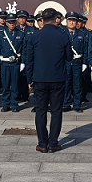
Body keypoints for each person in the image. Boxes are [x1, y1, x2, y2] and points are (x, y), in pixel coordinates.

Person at [24, 8, 72, 153]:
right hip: (57, 78)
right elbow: (69, 57)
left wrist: (29, 79)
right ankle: (53, 143)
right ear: (56, 18)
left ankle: (42, 143)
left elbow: (29, 60)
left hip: (39, 78)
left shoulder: (35, 36)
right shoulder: (63, 35)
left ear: (42, 20)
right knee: (56, 111)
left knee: (41, 111)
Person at [0, 13, 25, 112]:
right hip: (5, 63)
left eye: (13, 22)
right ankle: (6, 104)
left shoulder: (20, 34)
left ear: (16, 23)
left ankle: (14, 104)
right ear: (6, 23)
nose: (12, 24)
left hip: (15, 63)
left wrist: (23, 62)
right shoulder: (1, 34)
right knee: (5, 85)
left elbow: (23, 50)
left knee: (15, 85)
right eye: (10, 22)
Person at [62, 12, 88, 113]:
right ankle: (66, 104)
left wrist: (85, 63)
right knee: (66, 84)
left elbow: (85, 50)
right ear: (66, 22)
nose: (71, 23)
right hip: (66, 62)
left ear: (76, 22)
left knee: (77, 84)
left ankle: (77, 104)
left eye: (73, 21)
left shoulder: (82, 34)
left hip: (78, 62)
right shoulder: (62, 33)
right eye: (70, 21)